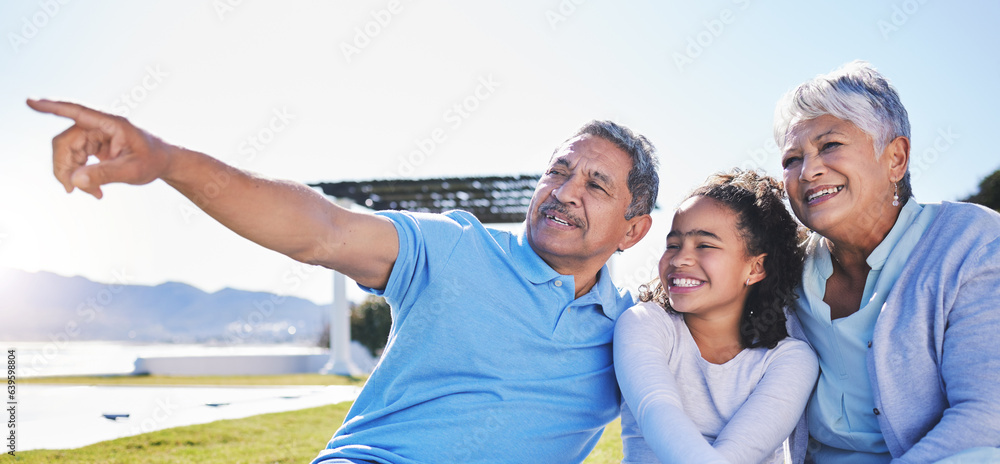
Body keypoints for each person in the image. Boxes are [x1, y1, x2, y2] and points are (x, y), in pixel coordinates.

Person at [27, 98, 658, 464]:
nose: (563, 191)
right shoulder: (454, 249)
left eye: (595, 184)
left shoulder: (634, 333)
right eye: (557, 171)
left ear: (632, 231)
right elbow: (320, 229)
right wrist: (167, 160)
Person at [774, 61, 1000, 463]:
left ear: (896, 158)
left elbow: (985, 417)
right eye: (792, 159)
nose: (808, 171)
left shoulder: (971, 241)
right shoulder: (783, 271)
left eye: (830, 145)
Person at [614, 169, 819, 464]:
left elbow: (737, 455)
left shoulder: (791, 359)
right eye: (673, 244)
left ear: (755, 269)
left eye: (705, 245)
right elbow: (657, 411)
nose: (680, 258)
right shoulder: (644, 324)